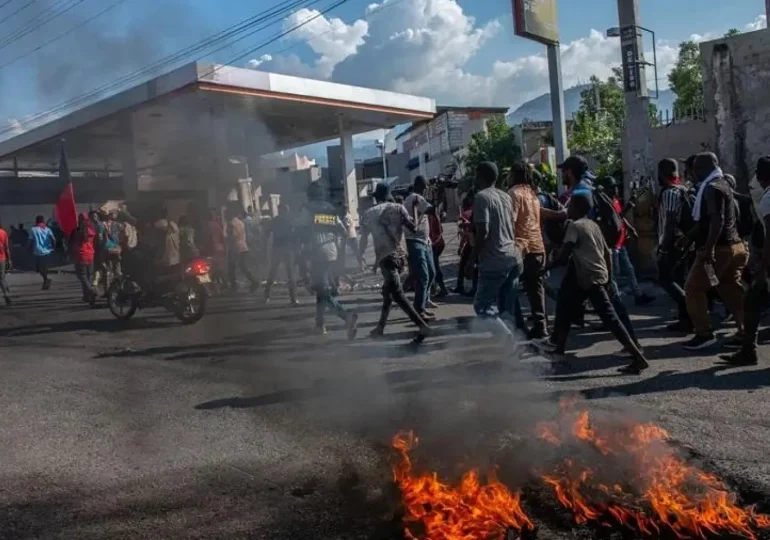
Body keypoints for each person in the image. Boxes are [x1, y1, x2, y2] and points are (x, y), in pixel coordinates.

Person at [540, 193, 650, 374]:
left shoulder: (574, 226)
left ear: (576, 208)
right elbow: (606, 252)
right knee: (565, 304)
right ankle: (558, 349)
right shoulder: (594, 225)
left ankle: (638, 357)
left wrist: (544, 269)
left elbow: (563, 256)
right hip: (593, 275)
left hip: (589, 277)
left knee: (611, 318)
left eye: (571, 206)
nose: (568, 210)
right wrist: (609, 277)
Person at [682, 152, 748, 350]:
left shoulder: (711, 188)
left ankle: (704, 334)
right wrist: (689, 237)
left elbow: (716, 219)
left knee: (693, 288)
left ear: (701, 169)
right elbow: (707, 221)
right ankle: (746, 332)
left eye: (694, 169)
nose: (693, 173)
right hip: (735, 247)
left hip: (719, 249)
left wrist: (708, 249)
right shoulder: (724, 183)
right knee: (730, 290)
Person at [359, 183, 430, 342]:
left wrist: (360, 255)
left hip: (386, 258)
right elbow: (413, 228)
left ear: (377, 197)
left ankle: (422, 325)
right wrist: (418, 212)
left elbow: (363, 238)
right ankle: (380, 327)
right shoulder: (399, 208)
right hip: (400, 257)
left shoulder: (369, 213)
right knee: (388, 293)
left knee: (397, 294)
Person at [721, 156, 770, 366]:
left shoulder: (768, 198)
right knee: (753, 301)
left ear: (759, 177)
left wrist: (763, 268)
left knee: (752, 301)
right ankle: (747, 350)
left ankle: (748, 351)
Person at [297, 182, 357, 338]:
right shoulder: (330, 209)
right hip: (332, 251)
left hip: (317, 252)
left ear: (309, 194)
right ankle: (320, 324)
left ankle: (346, 316)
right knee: (320, 288)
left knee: (322, 290)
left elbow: (301, 231)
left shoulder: (307, 209)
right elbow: (343, 231)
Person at [470, 162, 521, 335]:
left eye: (476, 175)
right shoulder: (505, 196)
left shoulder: (481, 197)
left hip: (494, 260)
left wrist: (472, 259)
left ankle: (507, 340)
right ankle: (510, 352)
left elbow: (483, 231)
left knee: (482, 308)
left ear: (481, 176)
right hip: (513, 257)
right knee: (506, 311)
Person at [597, 176, 655, 306]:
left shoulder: (615, 201)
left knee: (629, 270)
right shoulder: (605, 204)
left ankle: (637, 295)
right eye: (613, 187)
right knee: (614, 274)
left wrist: (629, 228)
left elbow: (620, 219)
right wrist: (628, 207)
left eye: (615, 187)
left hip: (620, 242)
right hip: (613, 244)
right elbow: (615, 220)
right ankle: (616, 300)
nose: (616, 190)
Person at [508, 161, 548, 339]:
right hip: (538, 247)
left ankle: (518, 325)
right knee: (536, 289)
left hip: (521, 248)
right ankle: (541, 326)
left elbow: (511, 221)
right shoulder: (533, 194)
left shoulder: (514, 194)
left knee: (511, 287)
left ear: (514, 175)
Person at [656, 158, 693, 332]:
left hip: (673, 244)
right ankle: (685, 319)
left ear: (661, 173)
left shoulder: (669, 193)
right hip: (683, 243)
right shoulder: (683, 189)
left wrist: (663, 247)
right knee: (679, 279)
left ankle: (691, 310)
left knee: (665, 279)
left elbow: (670, 222)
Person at [404, 176, 437, 319]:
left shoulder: (416, 198)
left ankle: (422, 303)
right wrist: (437, 195)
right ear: (419, 186)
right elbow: (432, 211)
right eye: (425, 187)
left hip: (424, 241)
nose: (426, 190)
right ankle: (419, 309)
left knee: (431, 273)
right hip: (415, 241)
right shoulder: (415, 198)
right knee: (424, 275)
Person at [263, 202, 299, 305]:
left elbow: (266, 234)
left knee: (275, 273)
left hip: (280, 249)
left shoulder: (275, 221)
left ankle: (267, 295)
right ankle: (293, 298)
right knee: (289, 274)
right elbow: (296, 236)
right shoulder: (289, 221)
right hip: (285, 249)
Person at [226, 203, 260, 293]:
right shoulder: (240, 222)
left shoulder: (231, 224)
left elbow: (232, 236)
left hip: (235, 248)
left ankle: (234, 287)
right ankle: (254, 281)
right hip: (243, 246)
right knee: (243, 267)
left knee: (231, 268)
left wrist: (228, 242)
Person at [70, 213, 97, 304]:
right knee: (88, 276)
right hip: (90, 254)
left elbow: (70, 242)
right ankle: (86, 296)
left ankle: (90, 290)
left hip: (81, 255)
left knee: (82, 275)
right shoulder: (92, 230)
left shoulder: (77, 231)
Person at [29, 215, 55, 290]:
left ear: (36, 221)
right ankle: (45, 282)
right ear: (42, 221)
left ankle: (46, 279)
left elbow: (30, 240)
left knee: (39, 269)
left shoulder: (33, 229)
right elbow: (54, 239)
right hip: (47, 251)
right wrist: (53, 247)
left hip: (38, 252)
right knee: (44, 268)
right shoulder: (48, 229)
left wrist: (27, 248)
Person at [428, 208, 448, 298]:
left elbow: (431, 232)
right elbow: (441, 230)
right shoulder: (435, 216)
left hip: (434, 244)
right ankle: (436, 287)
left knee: (434, 267)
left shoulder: (429, 218)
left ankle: (441, 288)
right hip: (438, 243)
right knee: (433, 266)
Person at [0, 219, 11, 305]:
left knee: (1, 278)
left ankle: (6, 294)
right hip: (2, 258)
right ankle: (6, 292)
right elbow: (6, 247)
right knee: (2, 277)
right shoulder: (3, 232)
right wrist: (9, 259)